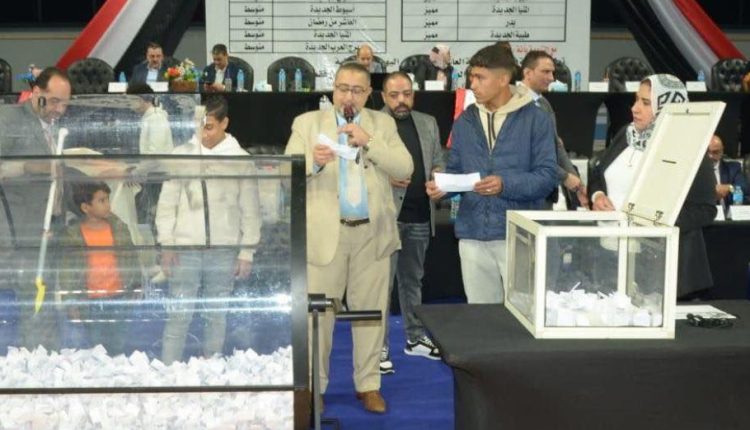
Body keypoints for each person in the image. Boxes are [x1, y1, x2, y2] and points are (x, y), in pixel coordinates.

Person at [284, 62, 413, 413]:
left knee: (373, 314)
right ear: (333, 89)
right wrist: (313, 161)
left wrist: (370, 143)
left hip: (373, 235)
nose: (348, 97)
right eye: (342, 89)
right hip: (326, 236)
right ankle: (315, 387)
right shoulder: (307, 124)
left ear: (369, 93)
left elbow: (405, 168)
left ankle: (368, 384)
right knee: (318, 318)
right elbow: (286, 172)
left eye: (356, 90)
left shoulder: (383, 124)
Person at [426, 45, 557, 304]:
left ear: (504, 78)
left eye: (480, 78)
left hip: (517, 235)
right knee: (480, 317)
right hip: (472, 235)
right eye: (471, 77)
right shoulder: (465, 121)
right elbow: (457, 169)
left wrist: (504, 184)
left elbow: (547, 177)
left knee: (522, 313)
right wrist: (443, 185)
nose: (472, 84)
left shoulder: (536, 119)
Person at [588, 74, 716, 299]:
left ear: (668, 106)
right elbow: (598, 172)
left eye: (646, 103)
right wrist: (597, 196)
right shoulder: (626, 134)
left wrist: (653, 221)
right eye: (636, 99)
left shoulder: (687, 146)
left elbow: (705, 210)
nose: (635, 108)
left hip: (661, 267)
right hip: (610, 255)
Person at [155, 96, 261, 364]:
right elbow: (167, 205)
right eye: (199, 126)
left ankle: (210, 366)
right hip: (184, 248)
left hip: (223, 250)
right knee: (179, 314)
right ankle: (168, 369)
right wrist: (167, 244)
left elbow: (250, 210)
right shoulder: (181, 155)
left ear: (225, 123)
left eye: (210, 126)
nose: (203, 133)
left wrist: (246, 251)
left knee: (216, 315)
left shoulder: (240, 159)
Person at [0, 66, 72, 351]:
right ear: (36, 92)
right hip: (20, 232)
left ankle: (48, 360)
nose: (60, 110)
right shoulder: (9, 119)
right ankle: (32, 363)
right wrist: (29, 166)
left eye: (65, 104)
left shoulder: (58, 127)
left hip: (53, 229)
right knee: (32, 301)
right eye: (54, 101)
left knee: (49, 301)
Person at [379, 72, 444, 375]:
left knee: (412, 281)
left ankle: (415, 338)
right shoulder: (371, 123)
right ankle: (377, 347)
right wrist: (384, 176)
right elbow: (357, 164)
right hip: (385, 219)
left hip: (420, 215)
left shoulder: (428, 122)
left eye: (406, 94)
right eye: (394, 95)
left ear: (413, 94)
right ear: (383, 97)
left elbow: (438, 159)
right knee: (380, 286)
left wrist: (438, 176)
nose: (401, 100)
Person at [60, 182, 138, 355]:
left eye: (107, 199)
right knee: (96, 349)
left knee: (118, 345)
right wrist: (71, 302)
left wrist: (136, 285)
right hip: (91, 302)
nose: (107, 205)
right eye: (101, 201)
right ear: (85, 207)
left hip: (118, 297)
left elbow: (131, 257)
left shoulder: (119, 228)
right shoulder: (73, 234)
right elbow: (67, 271)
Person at [519, 50, 588, 208]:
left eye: (552, 72)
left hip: (545, 193)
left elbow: (556, 145)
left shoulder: (544, 103)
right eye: (545, 72)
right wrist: (564, 177)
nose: (551, 78)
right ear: (527, 73)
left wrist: (577, 182)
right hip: (523, 194)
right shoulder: (514, 104)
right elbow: (527, 154)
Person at [126, 83, 174, 155]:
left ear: (139, 100)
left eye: (130, 101)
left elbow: (156, 152)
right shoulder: (150, 117)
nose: (130, 106)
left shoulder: (156, 118)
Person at [707, 134, 749, 207]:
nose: (710, 156)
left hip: (726, 211)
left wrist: (729, 188)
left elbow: (745, 189)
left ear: (722, 151)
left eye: (715, 152)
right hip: (702, 212)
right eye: (707, 152)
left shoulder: (733, 168)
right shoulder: (694, 171)